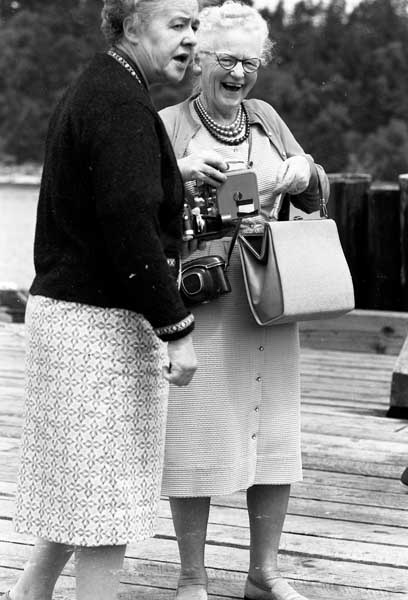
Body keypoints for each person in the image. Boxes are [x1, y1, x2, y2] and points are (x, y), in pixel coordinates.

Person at [5, 1, 199, 599]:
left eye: (195, 24)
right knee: (106, 504)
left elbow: (113, 201)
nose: (191, 38)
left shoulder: (101, 84)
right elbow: (128, 225)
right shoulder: (121, 102)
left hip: (68, 317)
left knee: (84, 488)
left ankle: (29, 594)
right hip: (97, 330)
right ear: (132, 25)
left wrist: (174, 174)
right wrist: (176, 329)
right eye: (177, 24)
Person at [159, 3, 330, 600]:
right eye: (226, 59)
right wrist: (185, 183)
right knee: (196, 433)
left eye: (250, 63)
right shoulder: (168, 124)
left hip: (271, 296)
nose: (238, 73)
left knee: (274, 432)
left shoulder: (266, 118)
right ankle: (192, 576)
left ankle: (265, 573)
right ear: (198, 59)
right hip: (204, 301)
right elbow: (139, 211)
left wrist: (303, 172)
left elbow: (315, 194)